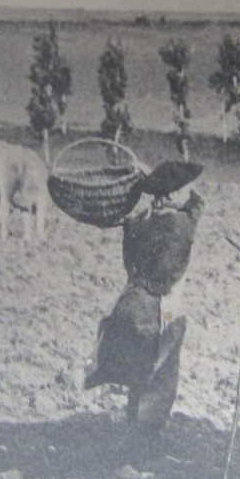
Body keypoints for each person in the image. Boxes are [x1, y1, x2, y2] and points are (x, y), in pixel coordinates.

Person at [84, 160, 204, 449]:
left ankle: (133, 432)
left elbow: (188, 209)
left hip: (129, 304)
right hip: (160, 308)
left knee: (140, 372)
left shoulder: (138, 223)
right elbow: (189, 220)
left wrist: (155, 182)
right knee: (161, 375)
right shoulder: (179, 225)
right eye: (183, 190)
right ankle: (144, 442)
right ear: (173, 195)